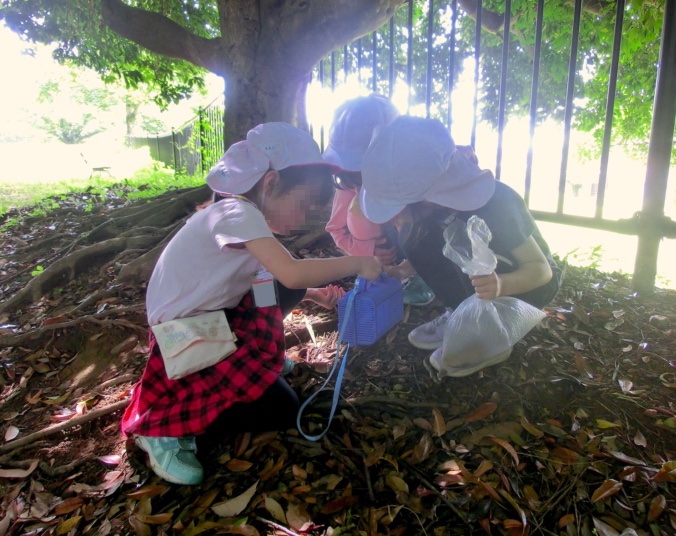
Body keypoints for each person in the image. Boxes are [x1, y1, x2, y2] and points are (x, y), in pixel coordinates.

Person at [122, 122, 382, 485]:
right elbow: (291, 272)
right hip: (183, 338)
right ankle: (161, 428)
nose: (306, 219)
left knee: (279, 291)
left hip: (216, 316)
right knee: (282, 410)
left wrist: (313, 293)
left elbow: (270, 280)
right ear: (271, 184)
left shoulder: (243, 216)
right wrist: (357, 263)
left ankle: (257, 360)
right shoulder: (235, 214)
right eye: (305, 206)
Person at [359, 115, 561, 368]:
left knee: (452, 242)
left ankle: (488, 335)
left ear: (427, 198)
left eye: (399, 208)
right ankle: (461, 313)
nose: (395, 218)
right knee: (414, 238)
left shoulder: (497, 203)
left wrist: (500, 285)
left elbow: (541, 271)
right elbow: (430, 248)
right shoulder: (430, 210)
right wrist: (401, 270)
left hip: (523, 284)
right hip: (482, 285)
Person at [323, 94, 435, 306]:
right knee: (358, 210)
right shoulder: (350, 184)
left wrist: (412, 264)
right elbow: (336, 229)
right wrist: (367, 252)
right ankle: (377, 270)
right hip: (378, 252)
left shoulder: (413, 176)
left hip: (410, 246)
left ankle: (420, 272)